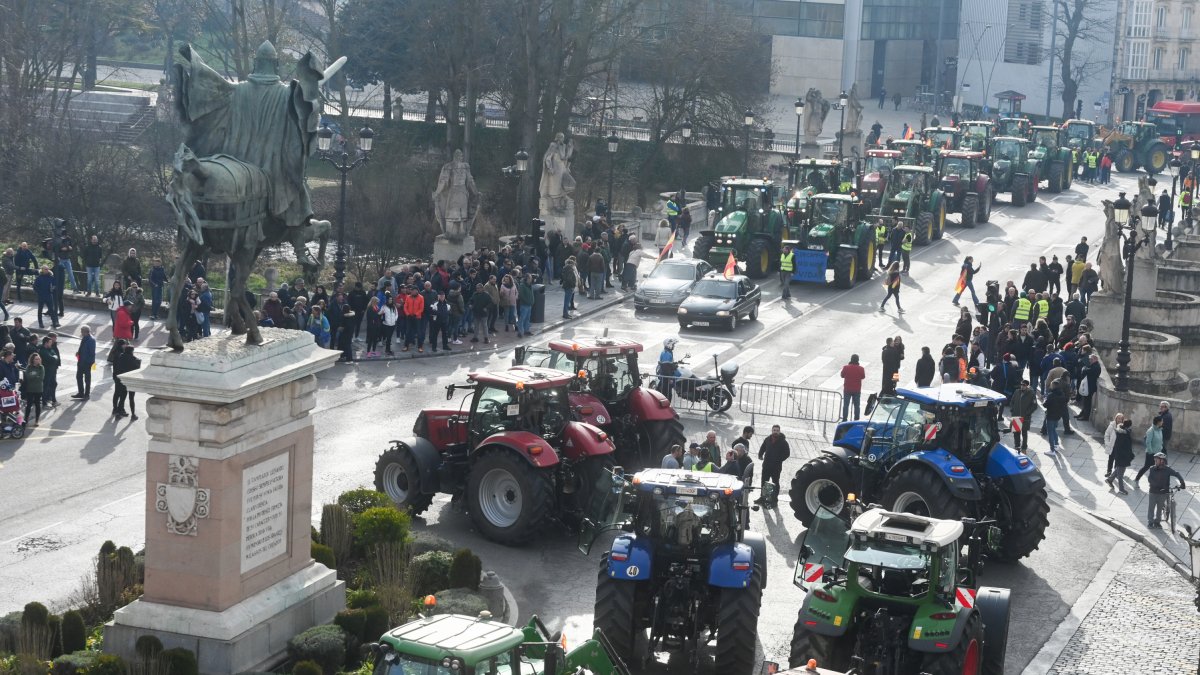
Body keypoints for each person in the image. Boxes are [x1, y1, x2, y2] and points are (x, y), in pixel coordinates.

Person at [1143, 453, 1185, 528]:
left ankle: (1157, 522)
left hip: (1163, 492)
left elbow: (1177, 474)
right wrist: (1156, 485)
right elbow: (1150, 479)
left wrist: (1182, 482)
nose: (1155, 461)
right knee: (1151, 508)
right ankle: (1150, 522)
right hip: (1153, 491)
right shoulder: (1152, 468)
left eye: (1157, 460)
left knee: (1159, 508)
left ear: (1162, 461)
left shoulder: (1167, 469)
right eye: (1155, 459)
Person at [756, 425, 789, 505]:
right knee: (764, 482)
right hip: (766, 465)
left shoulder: (783, 442)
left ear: (779, 431)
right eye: (774, 430)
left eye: (777, 430)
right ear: (772, 431)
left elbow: (787, 453)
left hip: (776, 467)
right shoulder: (768, 439)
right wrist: (760, 455)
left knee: (775, 483)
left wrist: (778, 460)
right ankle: (762, 498)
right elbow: (763, 447)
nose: (775, 432)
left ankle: (774, 500)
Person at [1104, 418, 1135, 495]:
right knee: (1121, 473)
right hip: (1122, 456)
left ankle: (1110, 480)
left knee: (1119, 469)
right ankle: (1121, 489)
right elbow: (1123, 447)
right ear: (1129, 426)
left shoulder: (1124, 433)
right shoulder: (1123, 434)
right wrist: (1128, 455)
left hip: (1122, 455)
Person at [112, 343, 141, 421]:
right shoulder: (135, 359)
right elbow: (137, 370)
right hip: (131, 381)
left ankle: (118, 412)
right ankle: (133, 414)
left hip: (122, 380)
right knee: (131, 398)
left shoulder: (120, 357)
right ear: (132, 351)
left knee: (122, 397)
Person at [1134, 416, 1165, 482]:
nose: (1163, 422)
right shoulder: (1151, 430)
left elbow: (1160, 440)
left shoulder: (1160, 430)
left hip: (1158, 453)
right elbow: (1148, 442)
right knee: (1146, 467)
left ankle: (1155, 482)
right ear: (1158, 422)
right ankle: (1137, 479)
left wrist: (1161, 447)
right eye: (1162, 421)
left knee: (1157, 467)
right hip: (1151, 453)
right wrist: (1151, 452)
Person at [1042, 380, 1069, 456]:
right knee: (1054, 429)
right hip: (1058, 415)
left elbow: (1045, 405)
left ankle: (1052, 450)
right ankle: (1056, 445)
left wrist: (1045, 400)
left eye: (1051, 385)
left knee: (1050, 432)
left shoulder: (1051, 395)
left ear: (1053, 386)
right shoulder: (1062, 394)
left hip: (1051, 415)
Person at [1009, 379, 1036, 452]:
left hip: (1025, 417)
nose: (1022, 386)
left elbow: (1034, 406)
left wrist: (1028, 413)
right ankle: (1017, 445)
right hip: (1016, 415)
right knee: (1016, 433)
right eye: (1021, 384)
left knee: (1024, 432)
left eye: (1024, 385)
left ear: (1027, 386)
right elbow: (1012, 401)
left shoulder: (1031, 393)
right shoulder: (1017, 392)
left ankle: (1024, 446)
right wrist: (1012, 409)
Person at [36, 335, 61, 408]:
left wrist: (54, 356)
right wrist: (54, 357)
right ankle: (44, 402)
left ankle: (53, 400)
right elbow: (52, 358)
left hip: (51, 372)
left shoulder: (49, 349)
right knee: (45, 386)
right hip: (46, 372)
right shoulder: (43, 351)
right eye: (50, 342)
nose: (51, 344)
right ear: (46, 343)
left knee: (53, 384)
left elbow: (55, 355)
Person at [71, 326, 95, 400]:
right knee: (79, 377)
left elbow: (91, 353)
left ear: (86, 332)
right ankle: (81, 393)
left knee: (87, 379)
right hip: (81, 361)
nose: (81, 333)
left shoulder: (91, 340)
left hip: (87, 362)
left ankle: (86, 394)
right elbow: (82, 347)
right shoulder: (85, 338)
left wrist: (90, 363)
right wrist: (79, 352)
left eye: (82, 331)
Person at [840, 354, 866, 420]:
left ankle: (844, 419)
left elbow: (842, 375)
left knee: (846, 405)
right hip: (856, 390)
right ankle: (856, 419)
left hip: (847, 389)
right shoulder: (861, 369)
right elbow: (863, 377)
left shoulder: (846, 367)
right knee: (857, 406)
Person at [1075, 354, 1100, 421]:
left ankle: (1085, 417)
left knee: (1087, 403)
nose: (1090, 361)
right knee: (1085, 402)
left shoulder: (1096, 366)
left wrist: (1084, 369)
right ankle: (1082, 414)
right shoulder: (1093, 365)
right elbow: (1084, 370)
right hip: (1088, 386)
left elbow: (1084, 370)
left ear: (1095, 359)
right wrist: (1084, 369)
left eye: (1091, 359)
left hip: (1090, 387)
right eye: (1089, 359)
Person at [21, 353, 44, 427]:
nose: (38, 360)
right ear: (33, 360)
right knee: (29, 405)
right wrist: (35, 375)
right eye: (36, 359)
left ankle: (37, 420)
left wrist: (33, 375)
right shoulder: (29, 367)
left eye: (39, 359)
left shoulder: (41, 367)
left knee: (37, 405)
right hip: (30, 389)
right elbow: (28, 377)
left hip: (38, 389)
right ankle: (26, 420)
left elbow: (41, 378)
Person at [1103, 412, 1127, 478]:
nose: (1119, 420)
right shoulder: (1111, 426)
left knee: (1117, 460)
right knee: (1110, 459)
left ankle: (1115, 473)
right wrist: (1107, 443)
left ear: (1122, 420)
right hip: (1112, 446)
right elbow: (1107, 434)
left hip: (1119, 447)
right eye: (1118, 418)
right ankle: (1109, 471)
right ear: (1115, 419)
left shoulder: (1124, 427)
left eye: (1121, 419)